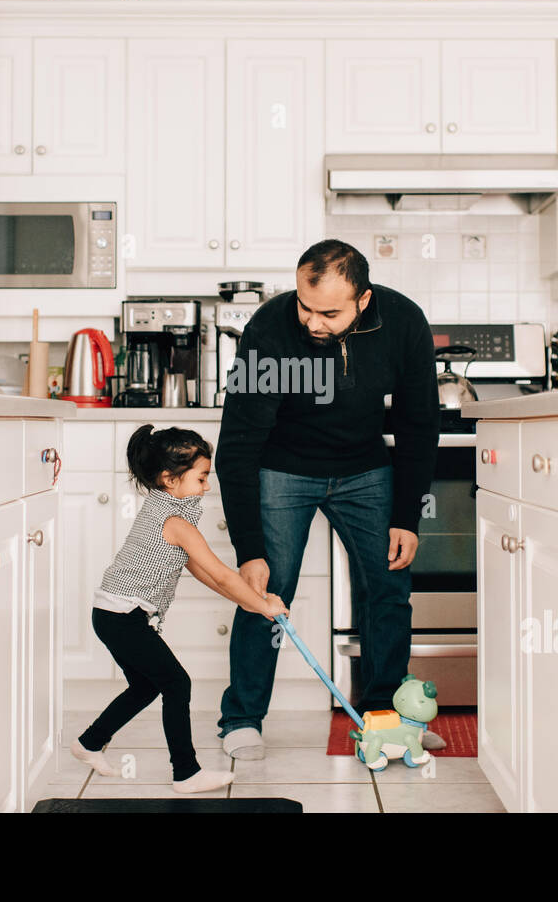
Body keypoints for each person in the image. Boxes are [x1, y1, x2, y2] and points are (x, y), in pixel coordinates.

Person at [215, 239, 441, 760]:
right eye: (304, 305)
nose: (313, 323)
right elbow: (239, 442)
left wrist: (406, 515)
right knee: (266, 587)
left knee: (387, 589)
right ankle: (242, 718)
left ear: (363, 300)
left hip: (366, 469)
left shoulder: (403, 322)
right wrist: (249, 549)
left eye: (329, 313)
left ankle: (387, 719)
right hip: (283, 467)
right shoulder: (270, 327)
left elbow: (418, 424)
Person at [71, 425, 289, 792]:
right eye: (202, 478)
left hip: (113, 615)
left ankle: (89, 743)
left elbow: (199, 570)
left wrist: (250, 603)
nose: (206, 487)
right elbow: (220, 573)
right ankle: (186, 773)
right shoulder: (175, 521)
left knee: (145, 686)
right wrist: (262, 605)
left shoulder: (166, 508)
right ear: (170, 479)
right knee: (176, 683)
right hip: (123, 618)